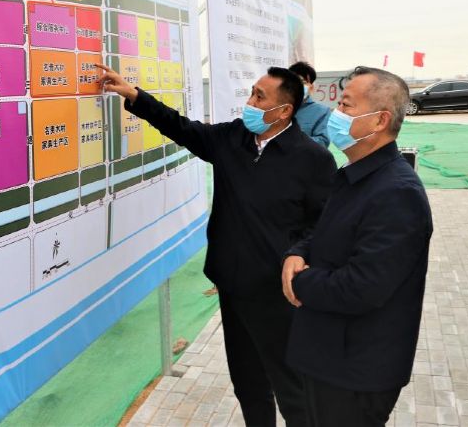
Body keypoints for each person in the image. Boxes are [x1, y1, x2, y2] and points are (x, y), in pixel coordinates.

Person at [98, 64, 336, 427]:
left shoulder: (312, 159)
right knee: (247, 381)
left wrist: (299, 254)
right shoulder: (233, 138)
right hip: (232, 284)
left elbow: (323, 224)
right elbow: (182, 128)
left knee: (290, 386)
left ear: (284, 110)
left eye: (260, 97)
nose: (250, 102)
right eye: (252, 92)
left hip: (276, 293)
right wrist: (134, 96)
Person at [282, 66, 433, 427]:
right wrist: (297, 253)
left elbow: (362, 287)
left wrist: (298, 282)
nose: (335, 114)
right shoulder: (355, 175)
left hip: (354, 373)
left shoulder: (397, 192)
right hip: (328, 356)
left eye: (346, 106)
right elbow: (327, 231)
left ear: (380, 120)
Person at [288, 61, 331, 148]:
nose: (298, 86)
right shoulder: (279, 108)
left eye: (303, 82)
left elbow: (323, 141)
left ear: (311, 86)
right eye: (295, 81)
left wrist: (292, 140)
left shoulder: (322, 111)